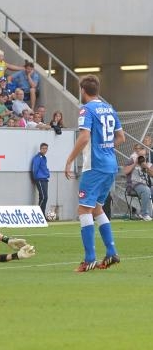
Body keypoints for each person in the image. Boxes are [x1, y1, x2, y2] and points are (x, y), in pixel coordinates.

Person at [64, 75, 125, 272]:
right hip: (110, 166)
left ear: (83, 90)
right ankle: (111, 253)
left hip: (95, 166)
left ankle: (89, 258)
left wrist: (70, 159)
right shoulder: (109, 108)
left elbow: (84, 137)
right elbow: (121, 137)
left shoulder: (87, 109)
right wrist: (106, 148)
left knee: (83, 210)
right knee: (97, 209)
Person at [124, 144, 153, 221]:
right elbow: (125, 171)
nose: (138, 150)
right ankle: (144, 214)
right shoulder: (131, 160)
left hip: (145, 184)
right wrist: (135, 163)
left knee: (148, 189)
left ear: (144, 151)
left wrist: (146, 167)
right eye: (136, 149)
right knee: (146, 190)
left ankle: (150, 213)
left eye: (140, 149)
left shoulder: (147, 162)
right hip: (133, 185)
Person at [32, 143, 50, 217]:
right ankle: (39, 215)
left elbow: (44, 168)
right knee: (43, 197)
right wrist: (35, 178)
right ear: (40, 149)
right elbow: (34, 168)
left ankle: (42, 215)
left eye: (46, 148)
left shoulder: (44, 158)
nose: (45, 150)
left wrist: (47, 173)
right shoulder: (38, 157)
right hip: (40, 179)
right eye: (43, 148)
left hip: (45, 179)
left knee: (44, 197)